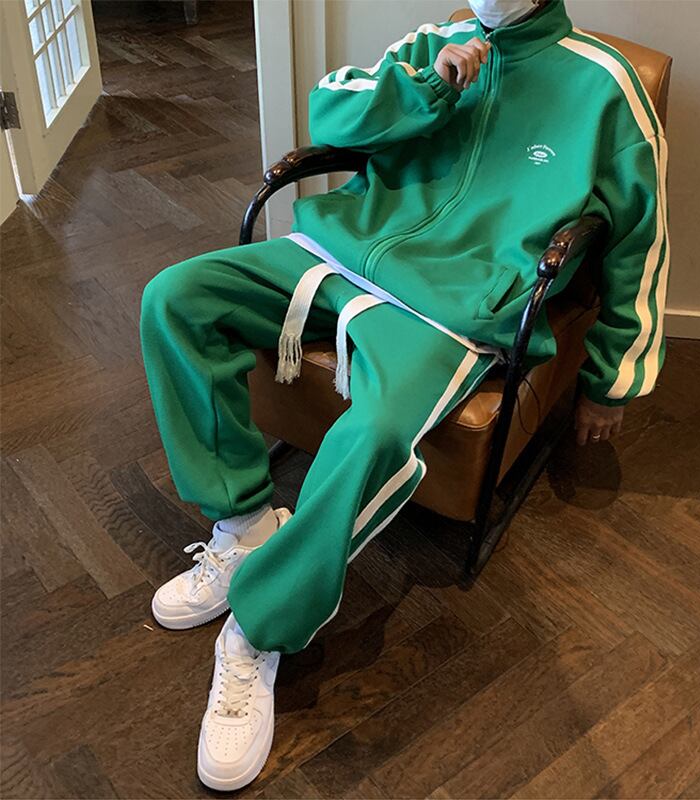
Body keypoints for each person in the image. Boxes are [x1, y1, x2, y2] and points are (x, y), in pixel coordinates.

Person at [139, 0, 669, 790]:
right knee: (173, 298)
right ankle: (244, 524)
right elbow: (331, 112)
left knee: (376, 431)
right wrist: (429, 85)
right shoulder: (434, 41)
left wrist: (614, 376)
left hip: (449, 309)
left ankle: (259, 627)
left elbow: (640, 240)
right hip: (338, 250)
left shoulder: (607, 86)